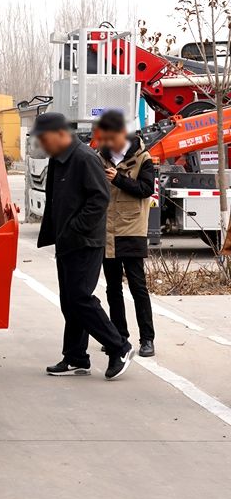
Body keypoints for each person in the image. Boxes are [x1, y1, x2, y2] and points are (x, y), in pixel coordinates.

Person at [33, 112, 135, 380]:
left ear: (60, 134)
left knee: (80, 298)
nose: (42, 144)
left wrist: (75, 227)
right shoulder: (59, 160)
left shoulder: (84, 158)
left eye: (44, 139)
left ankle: (120, 347)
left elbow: (99, 199)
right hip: (67, 242)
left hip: (85, 242)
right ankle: (76, 358)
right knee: (70, 301)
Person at [94, 109, 156, 357]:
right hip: (107, 230)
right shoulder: (100, 158)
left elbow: (146, 189)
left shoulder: (143, 158)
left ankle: (147, 339)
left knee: (138, 287)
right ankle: (119, 336)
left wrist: (118, 179)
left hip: (132, 229)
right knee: (112, 288)